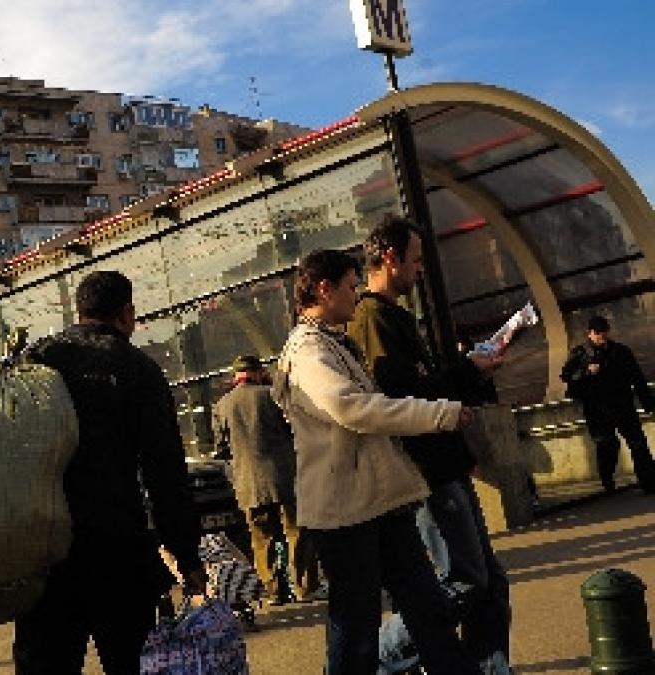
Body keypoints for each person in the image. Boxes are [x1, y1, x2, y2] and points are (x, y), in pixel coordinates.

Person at [272, 248, 478, 675]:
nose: (358, 294)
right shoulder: (308, 349)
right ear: (324, 289)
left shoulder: (329, 341)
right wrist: (438, 414)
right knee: (357, 626)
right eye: (351, 287)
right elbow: (356, 409)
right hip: (346, 513)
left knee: (426, 609)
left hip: (375, 503)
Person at [16, 270, 207, 675]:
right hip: (116, 551)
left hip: (45, 553)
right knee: (129, 662)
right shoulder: (137, 369)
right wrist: (186, 556)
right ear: (127, 313)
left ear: (79, 311)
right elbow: (165, 474)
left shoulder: (36, 362)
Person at [347, 216, 513, 673]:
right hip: (427, 471)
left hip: (446, 462)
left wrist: (472, 372)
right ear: (390, 258)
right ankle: (371, 656)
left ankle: (490, 664)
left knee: (490, 583)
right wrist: (466, 372)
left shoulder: (394, 316)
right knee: (464, 581)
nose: (420, 269)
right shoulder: (373, 319)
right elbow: (403, 397)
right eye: (415, 260)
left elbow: (429, 387)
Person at [212, 354, 320, 603]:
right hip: (285, 478)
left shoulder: (222, 406)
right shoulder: (272, 396)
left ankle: (273, 591)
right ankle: (304, 587)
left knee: (262, 539)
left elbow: (221, 448)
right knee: (297, 532)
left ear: (236, 377)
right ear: (258, 372)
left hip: (248, 484)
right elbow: (294, 430)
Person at [560, 315, 655, 492]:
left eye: (604, 332)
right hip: (597, 410)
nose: (602, 336)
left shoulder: (620, 351)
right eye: (598, 333)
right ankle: (607, 478)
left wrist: (647, 402)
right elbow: (566, 376)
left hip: (622, 405)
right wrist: (586, 371)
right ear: (589, 333)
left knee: (638, 444)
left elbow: (637, 377)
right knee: (607, 445)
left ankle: (649, 481)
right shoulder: (579, 354)